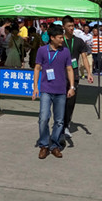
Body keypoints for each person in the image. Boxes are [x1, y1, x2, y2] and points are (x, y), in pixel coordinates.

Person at [32, 24, 75, 159]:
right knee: (43, 118)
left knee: (59, 121)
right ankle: (44, 145)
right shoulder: (42, 51)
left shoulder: (65, 52)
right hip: (46, 90)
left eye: (62, 37)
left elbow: (69, 69)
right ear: (52, 38)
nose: (62, 40)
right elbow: (37, 68)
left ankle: (54, 145)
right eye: (59, 37)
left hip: (61, 90)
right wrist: (35, 87)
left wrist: (72, 87)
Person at [61, 15, 93, 142]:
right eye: (68, 26)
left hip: (73, 76)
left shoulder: (79, 41)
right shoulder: (59, 40)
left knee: (70, 102)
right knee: (60, 101)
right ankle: (60, 125)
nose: (71, 28)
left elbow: (84, 57)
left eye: (72, 26)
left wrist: (89, 72)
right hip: (60, 76)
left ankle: (66, 124)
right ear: (63, 27)